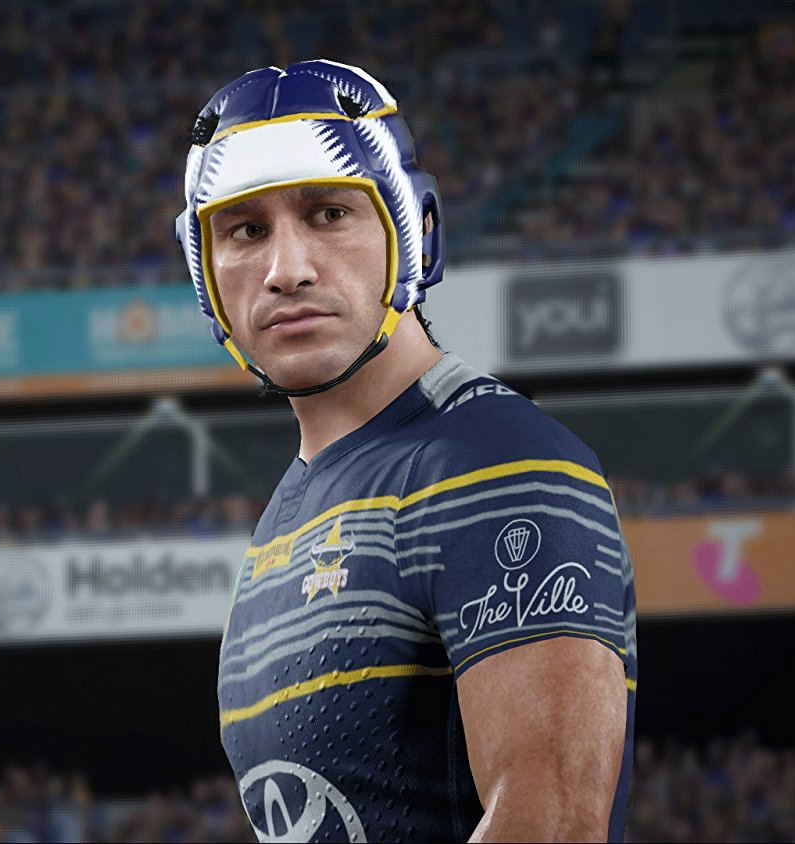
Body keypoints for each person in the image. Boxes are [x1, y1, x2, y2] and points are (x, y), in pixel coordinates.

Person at [177, 61, 638, 841]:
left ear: (415, 229)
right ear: (205, 275)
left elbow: (555, 826)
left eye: (328, 213)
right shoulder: (290, 509)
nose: (287, 270)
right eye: (246, 231)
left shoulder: (495, 462)